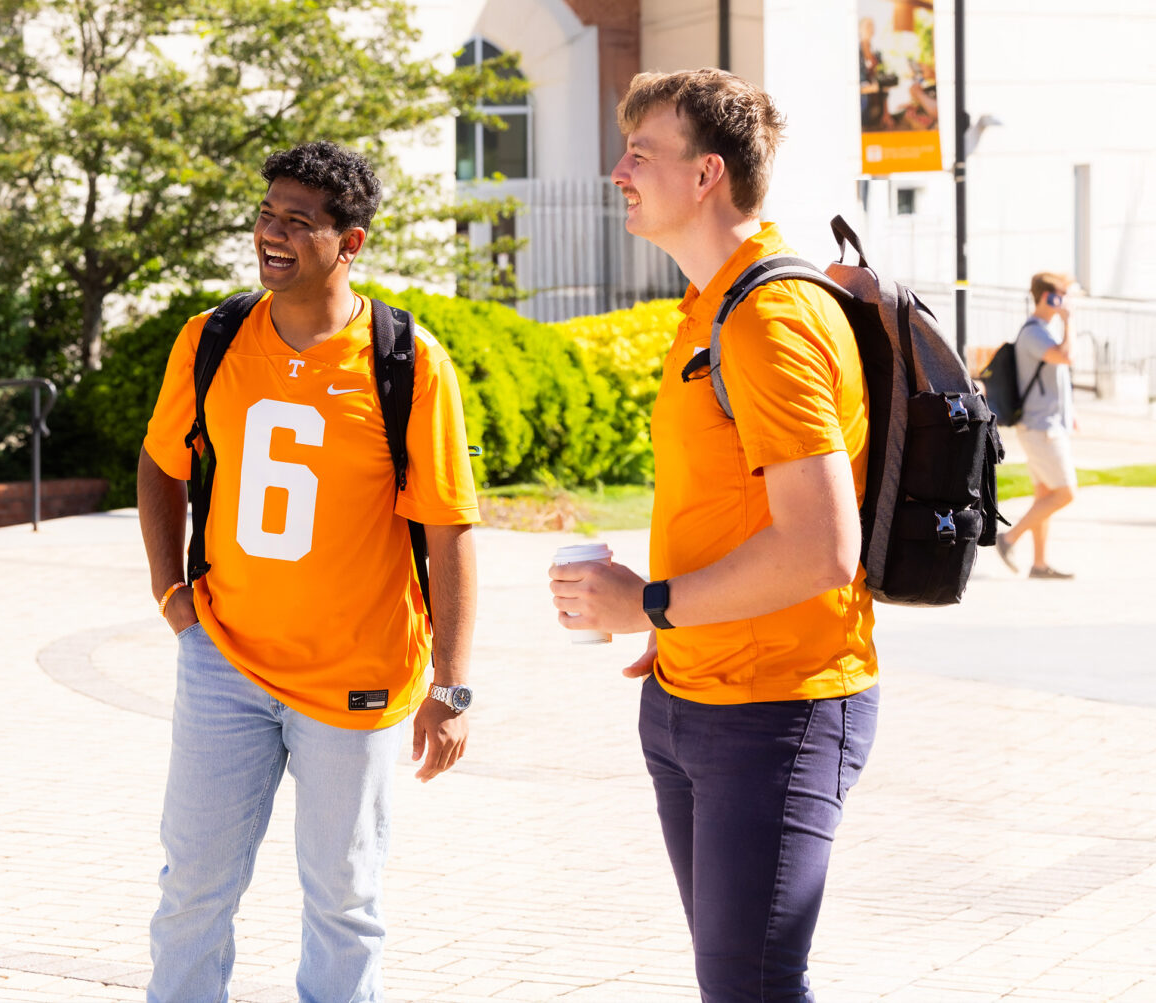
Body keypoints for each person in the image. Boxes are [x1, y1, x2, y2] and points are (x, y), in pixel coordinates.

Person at [548, 68, 878, 1001]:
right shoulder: (711, 309)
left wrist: (650, 600)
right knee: (739, 985)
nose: (619, 170)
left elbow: (823, 550)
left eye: (641, 153)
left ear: (707, 176)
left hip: (779, 709)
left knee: (753, 987)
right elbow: (737, 509)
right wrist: (675, 620)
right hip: (692, 694)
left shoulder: (770, 319)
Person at [134, 141, 481, 1003]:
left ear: (350, 241)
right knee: (190, 894)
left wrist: (455, 684)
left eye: (300, 220)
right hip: (224, 660)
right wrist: (170, 594)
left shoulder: (407, 362)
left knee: (345, 903)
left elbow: (450, 531)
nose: (273, 234)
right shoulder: (211, 338)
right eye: (267, 214)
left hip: (356, 676)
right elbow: (158, 464)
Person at [997, 272, 1080, 580]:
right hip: (1041, 428)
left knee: (1045, 493)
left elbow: (1056, 374)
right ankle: (1008, 538)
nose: (1067, 301)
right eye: (1063, 294)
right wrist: (1069, 322)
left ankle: (1039, 564)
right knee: (1065, 493)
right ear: (1049, 297)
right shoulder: (1034, 333)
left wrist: (1070, 412)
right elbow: (1066, 356)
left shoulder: (1043, 331)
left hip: (1047, 423)